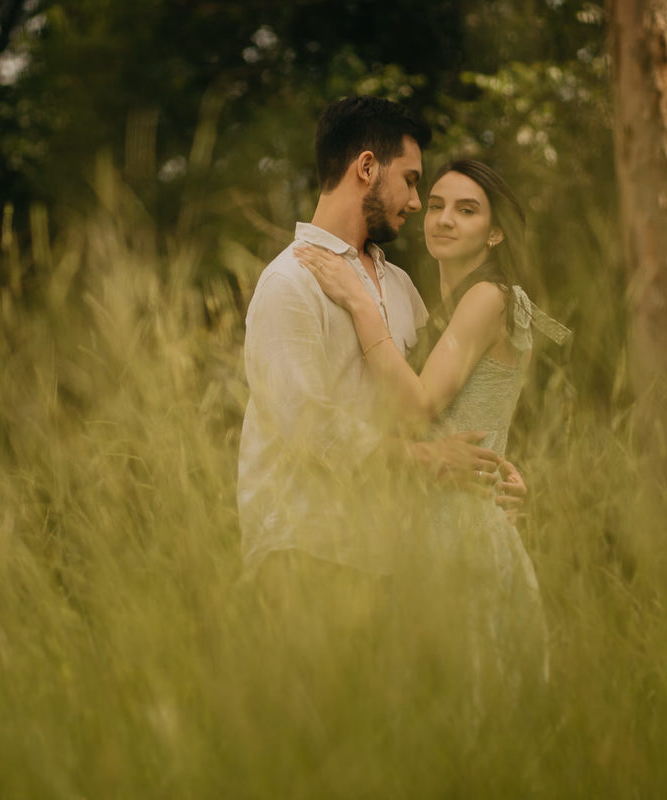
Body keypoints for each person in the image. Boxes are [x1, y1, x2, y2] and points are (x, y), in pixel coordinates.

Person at [294, 158, 570, 686]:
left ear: (494, 233)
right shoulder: (439, 307)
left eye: (466, 211)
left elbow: (418, 406)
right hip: (429, 524)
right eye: (437, 205)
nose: (443, 218)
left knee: (466, 701)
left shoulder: (489, 296)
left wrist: (358, 302)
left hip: (460, 530)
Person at [237, 97, 523, 585]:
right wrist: (428, 460)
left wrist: (493, 473)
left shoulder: (401, 287)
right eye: (411, 180)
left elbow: (431, 404)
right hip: (305, 551)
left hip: (389, 563)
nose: (416, 202)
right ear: (367, 167)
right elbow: (308, 427)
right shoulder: (290, 281)